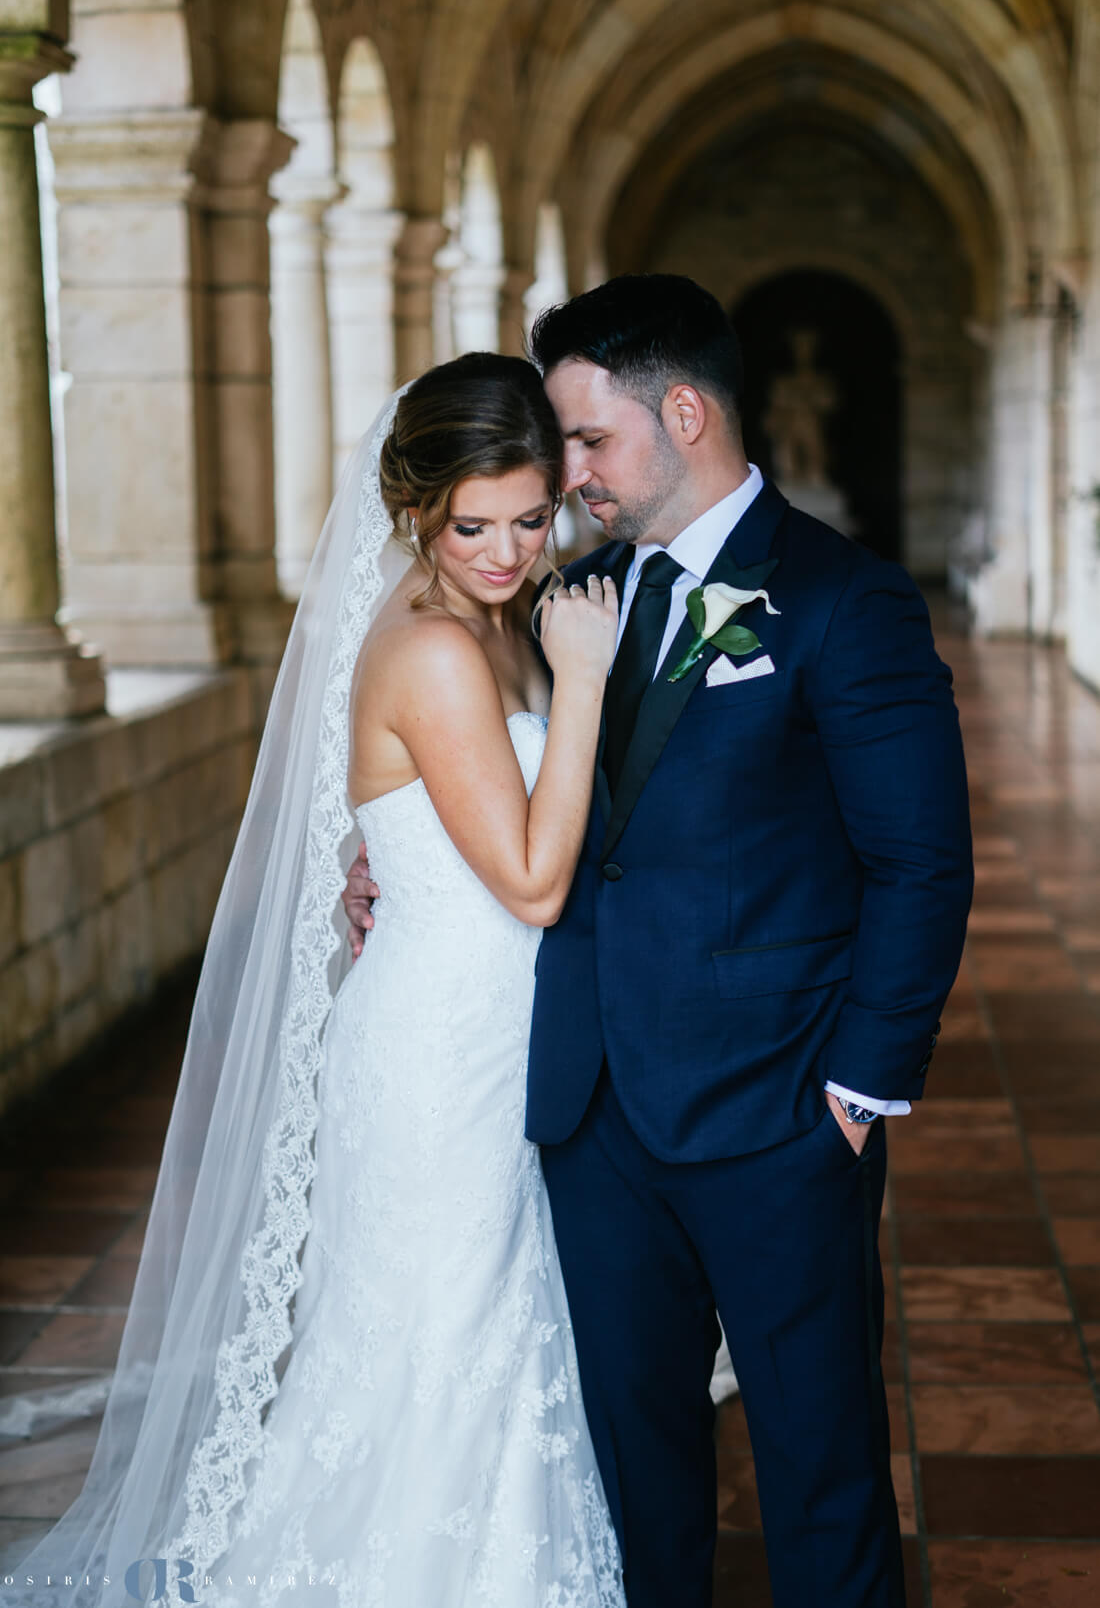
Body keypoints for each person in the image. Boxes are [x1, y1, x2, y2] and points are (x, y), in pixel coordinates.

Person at [345, 275, 974, 1608]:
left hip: (776, 1115)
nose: (562, 475)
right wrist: (385, 846)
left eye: (585, 442)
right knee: (629, 1476)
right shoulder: (563, 591)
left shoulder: (843, 601)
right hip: (584, 1111)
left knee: (820, 1467)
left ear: (682, 412)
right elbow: (480, 770)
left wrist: (857, 1094)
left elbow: (920, 862)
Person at [5, 355, 625, 1608]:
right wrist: (592, 684)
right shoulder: (442, 649)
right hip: (438, 1056)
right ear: (414, 507)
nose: (506, 551)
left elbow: (435, 819)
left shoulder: (491, 613)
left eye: (528, 518)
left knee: (476, 1338)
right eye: (473, 525)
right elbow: (531, 881)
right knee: (438, 1343)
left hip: (487, 1031)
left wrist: (377, 845)